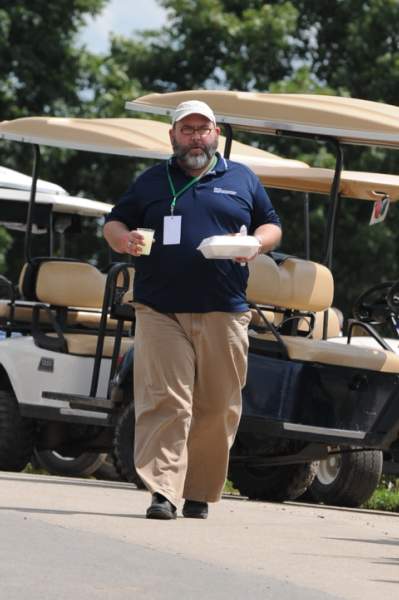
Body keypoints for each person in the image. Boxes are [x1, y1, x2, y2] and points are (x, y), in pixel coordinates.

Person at [103, 100, 282, 520]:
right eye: (188, 129)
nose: (196, 136)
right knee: (167, 401)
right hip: (159, 309)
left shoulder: (241, 178)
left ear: (216, 134)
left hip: (224, 310)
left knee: (217, 405)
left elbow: (271, 224)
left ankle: (199, 490)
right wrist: (122, 240)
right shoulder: (150, 181)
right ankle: (162, 491)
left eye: (204, 129)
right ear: (172, 136)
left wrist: (257, 243)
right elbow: (113, 223)